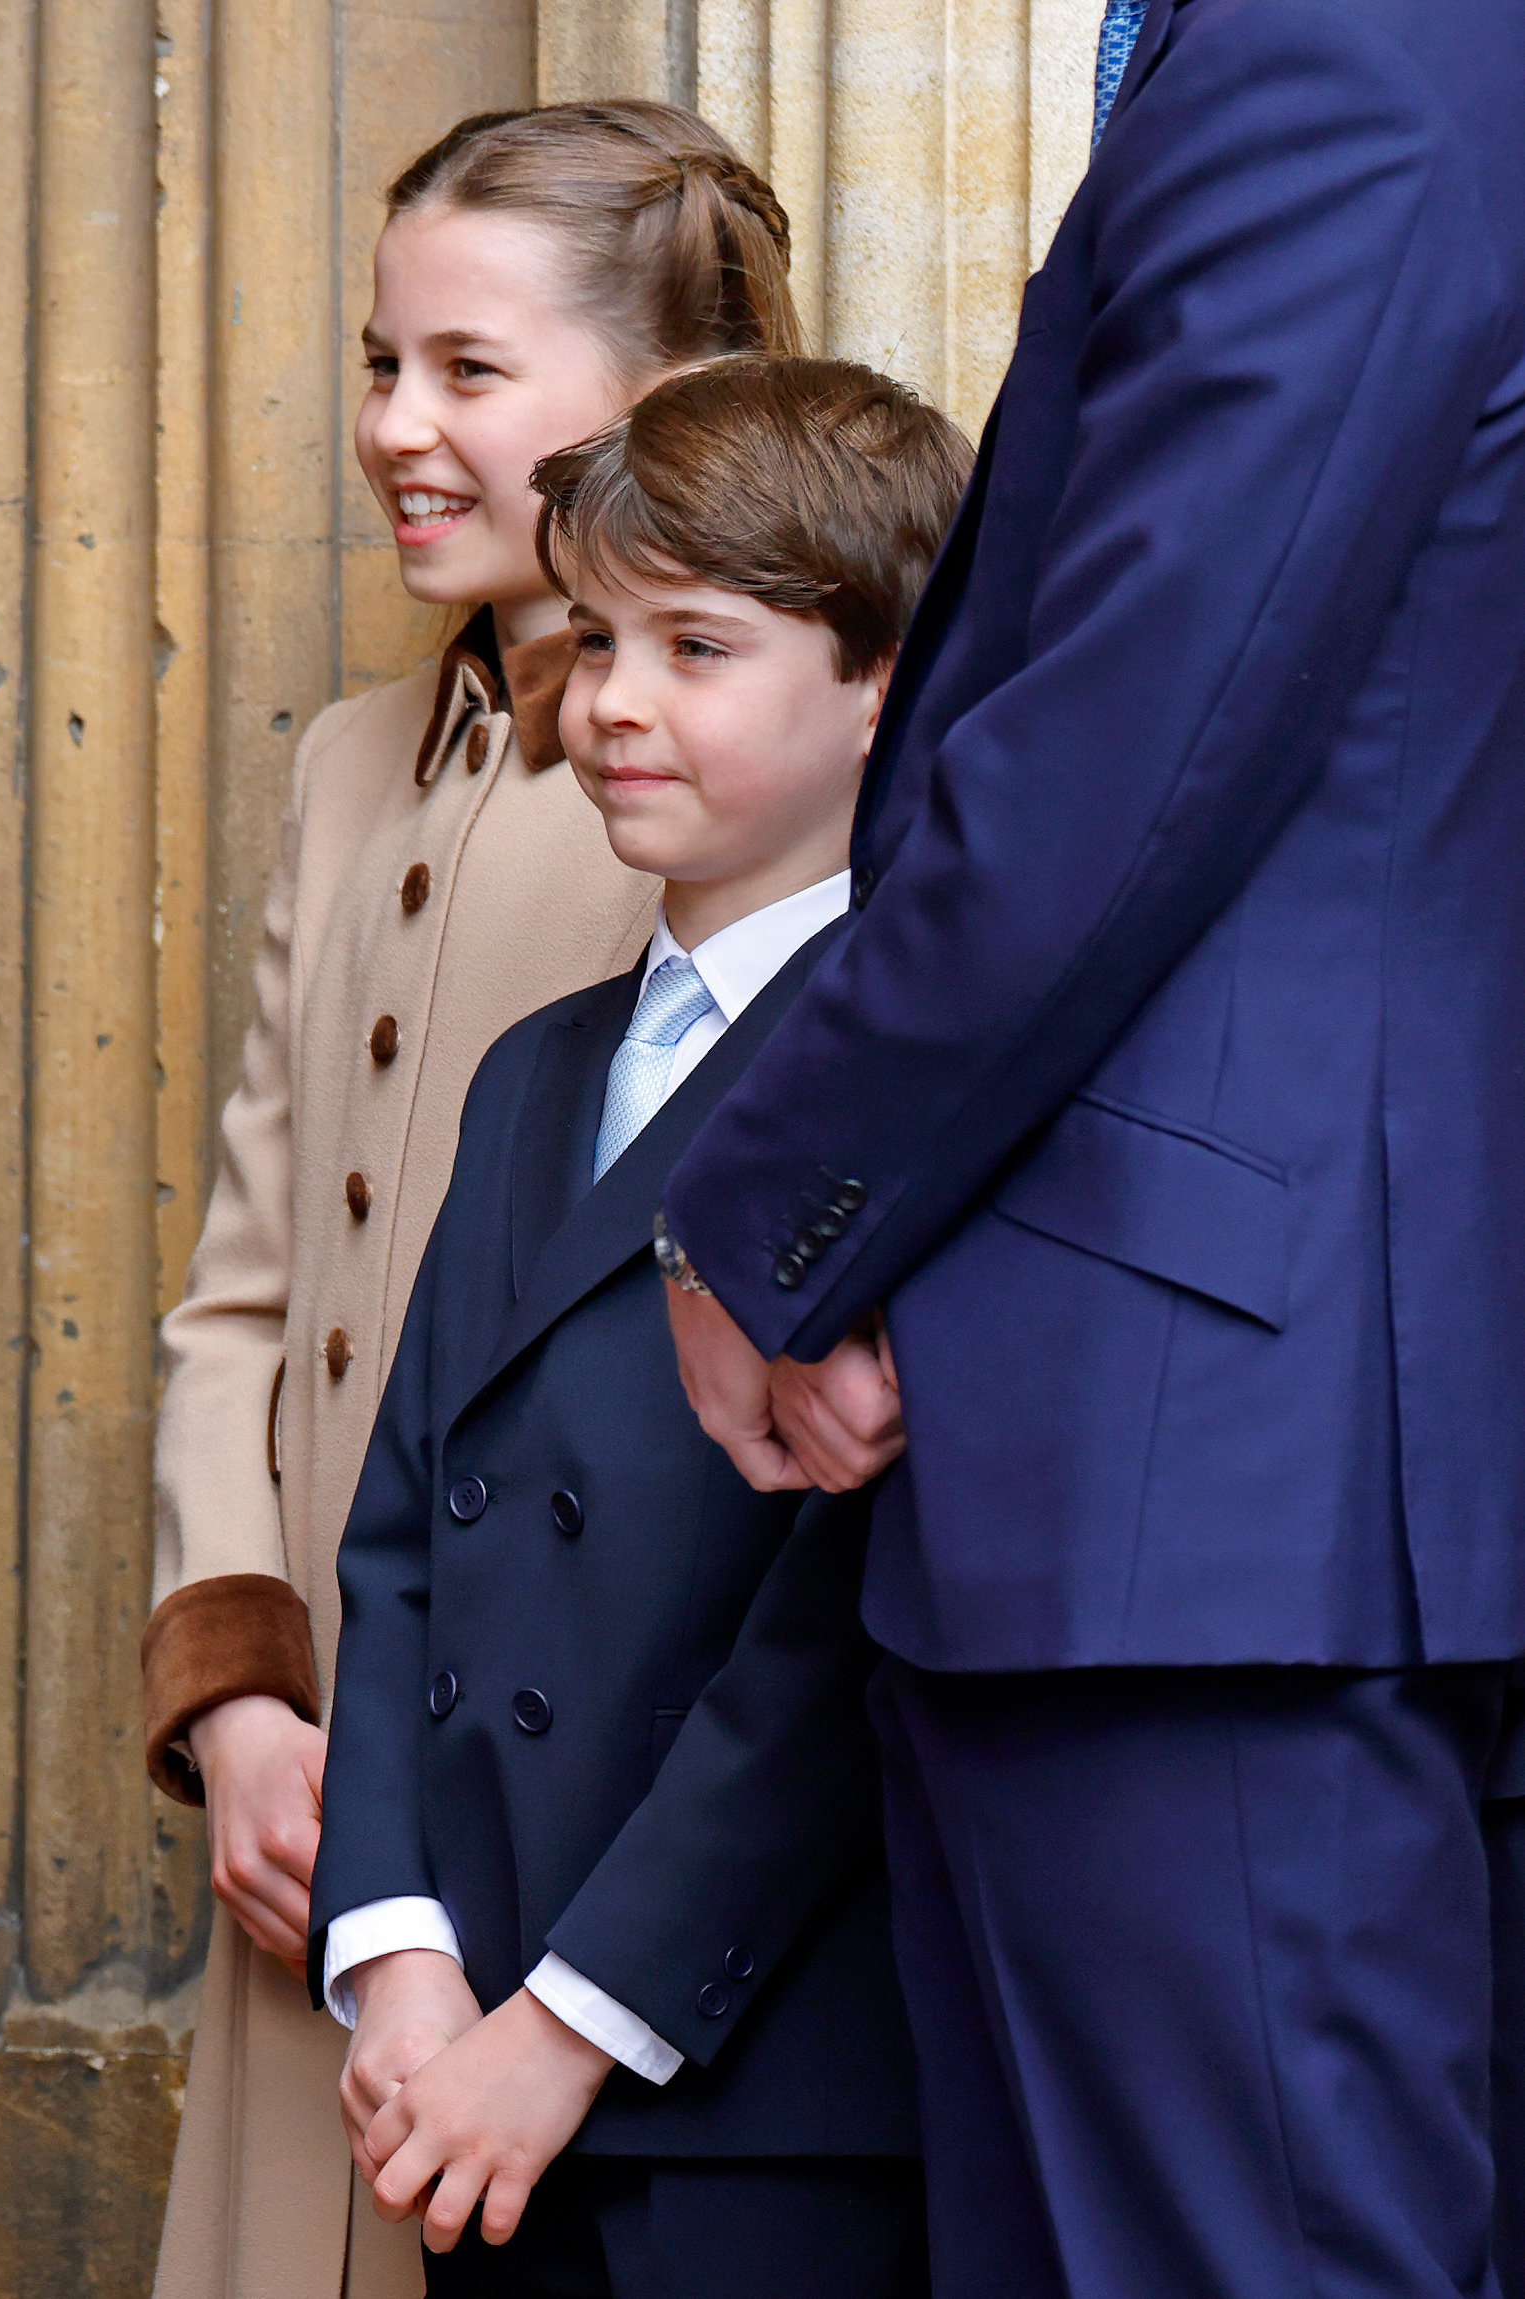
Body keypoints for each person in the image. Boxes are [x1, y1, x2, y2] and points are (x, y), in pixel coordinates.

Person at [654, 2, 1525, 2294]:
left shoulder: (1355, 49)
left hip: (1209, 1470)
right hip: (1168, 1460)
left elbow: (1136, 731)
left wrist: (764, 1215)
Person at [140, 102, 805, 2299]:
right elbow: (246, 1289)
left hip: (582, 1815)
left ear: (663, 408)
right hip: (333, 1806)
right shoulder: (351, 763)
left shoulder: (722, 783)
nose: (390, 427)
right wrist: (239, 1698)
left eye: (464, 371)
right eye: (373, 361)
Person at [310, 357, 973, 2298]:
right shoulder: (533, 1071)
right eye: (593, 635)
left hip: (758, 2075)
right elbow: (404, 1528)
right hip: (463, 2054)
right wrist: (400, 1952)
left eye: (696, 645)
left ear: (881, 685)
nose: (608, 702)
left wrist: (573, 2019)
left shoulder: (911, 1073)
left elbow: (842, 1613)